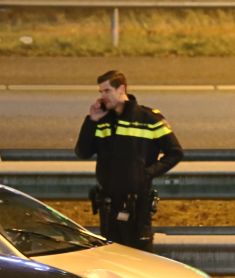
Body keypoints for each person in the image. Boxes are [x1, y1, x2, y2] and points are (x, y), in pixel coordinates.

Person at [75, 70, 183, 252]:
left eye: (107, 91)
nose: (102, 97)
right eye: (100, 92)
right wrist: (92, 121)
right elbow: (82, 152)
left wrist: (147, 173)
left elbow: (175, 152)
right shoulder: (102, 120)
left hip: (137, 206)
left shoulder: (148, 119)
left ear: (121, 89)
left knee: (140, 259)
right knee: (113, 259)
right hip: (109, 206)